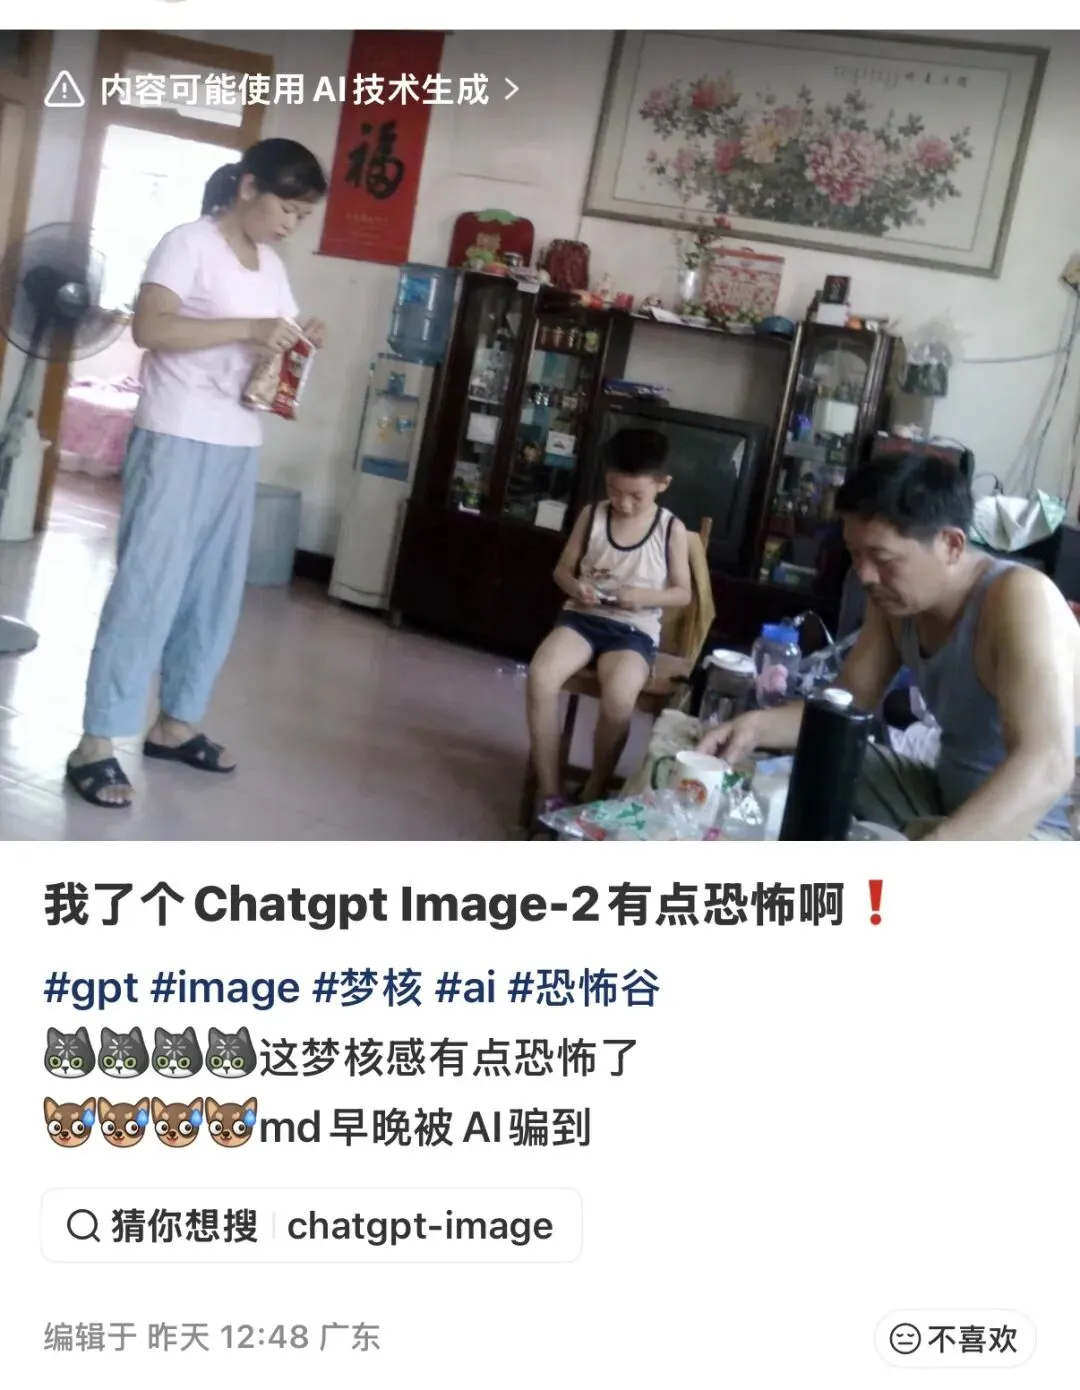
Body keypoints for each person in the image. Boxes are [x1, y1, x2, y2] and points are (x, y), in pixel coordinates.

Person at [66, 138, 328, 809]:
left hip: (237, 439)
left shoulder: (271, 266)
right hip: (176, 432)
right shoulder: (188, 244)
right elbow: (152, 329)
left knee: (213, 592)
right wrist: (249, 327)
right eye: (287, 208)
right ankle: (96, 743)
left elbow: (267, 345)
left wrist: (297, 344)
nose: (291, 225)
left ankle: (176, 724)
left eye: (303, 216)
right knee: (147, 585)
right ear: (248, 187)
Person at [698, 452, 1080, 839]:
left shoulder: (1020, 597)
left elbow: (1049, 764)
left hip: (1038, 830)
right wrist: (755, 728)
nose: (865, 575)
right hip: (943, 795)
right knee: (823, 756)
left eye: (883, 558)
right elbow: (847, 702)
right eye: (856, 555)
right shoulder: (897, 604)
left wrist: (940, 846)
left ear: (951, 544)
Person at [526, 427, 692, 820]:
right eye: (614, 490)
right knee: (540, 677)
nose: (624, 503)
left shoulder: (670, 528)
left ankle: (595, 786)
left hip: (634, 631)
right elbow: (561, 571)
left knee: (618, 700)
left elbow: (683, 593)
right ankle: (550, 792)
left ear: (662, 484)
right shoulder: (593, 515)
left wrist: (644, 596)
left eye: (636, 495)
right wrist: (576, 587)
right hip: (583, 618)